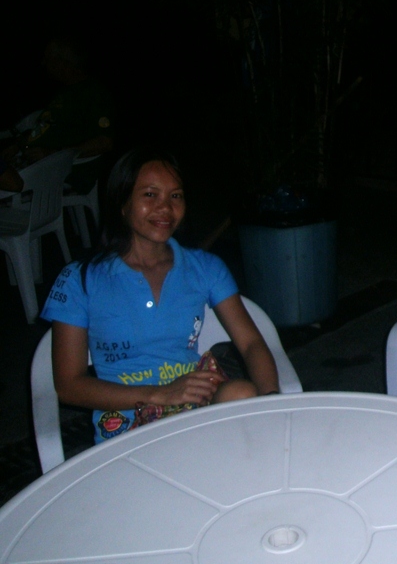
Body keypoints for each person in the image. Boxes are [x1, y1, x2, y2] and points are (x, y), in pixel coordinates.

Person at [41, 148, 281, 443]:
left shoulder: (204, 267)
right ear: (121, 203)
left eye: (175, 196)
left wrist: (273, 400)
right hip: (127, 420)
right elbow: (68, 386)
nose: (165, 207)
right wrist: (160, 394)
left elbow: (251, 343)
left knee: (241, 393)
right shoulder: (80, 279)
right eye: (150, 195)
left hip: (193, 408)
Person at [2, 36, 114, 193]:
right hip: (31, 165)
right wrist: (18, 145)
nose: (43, 63)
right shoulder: (64, 93)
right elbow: (47, 130)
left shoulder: (94, 93)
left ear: (64, 63)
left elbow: (104, 142)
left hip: (58, 173)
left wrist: (54, 154)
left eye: (48, 58)